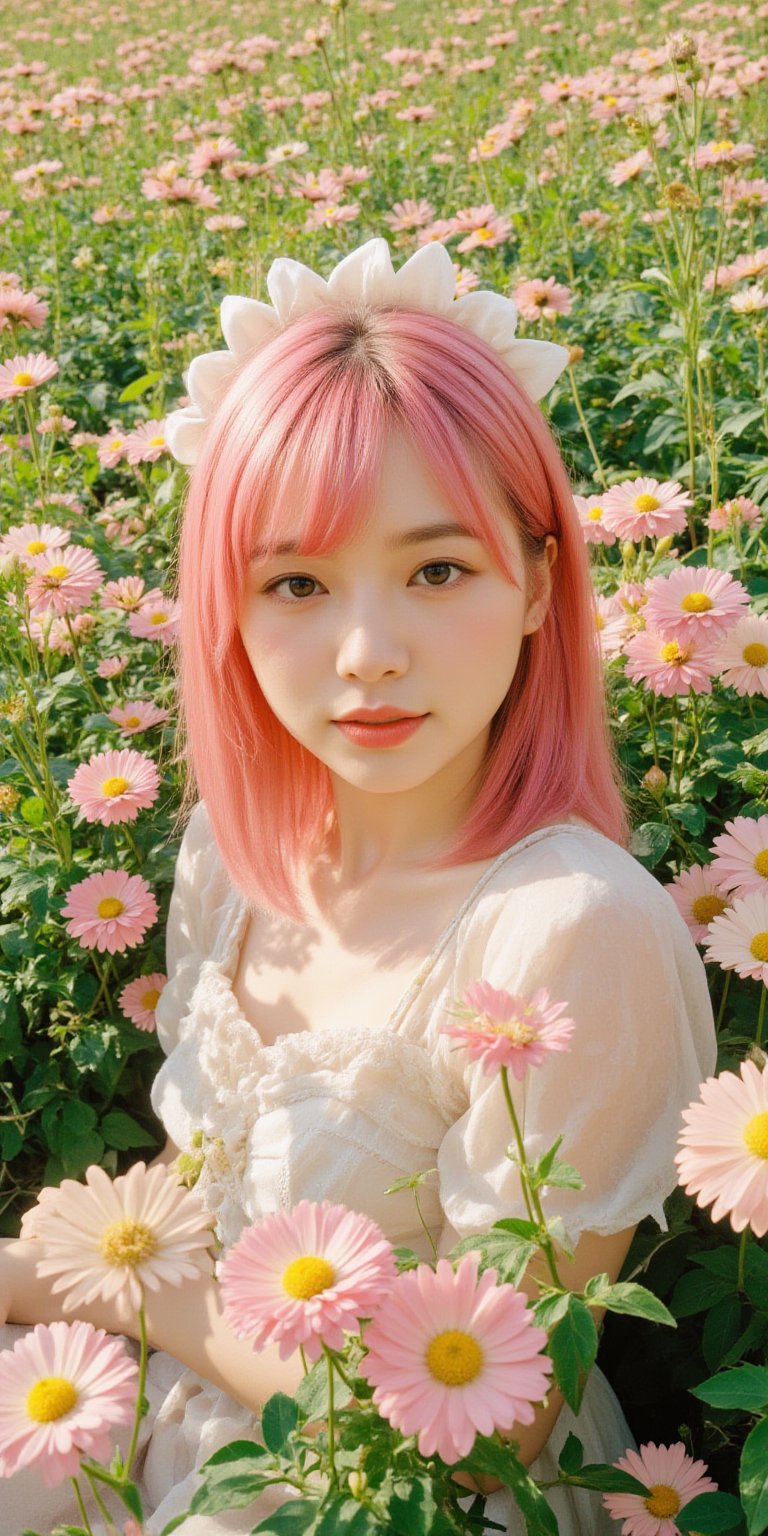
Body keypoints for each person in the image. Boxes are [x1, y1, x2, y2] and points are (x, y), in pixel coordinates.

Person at [0, 239, 717, 1536]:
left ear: (540, 579)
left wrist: (123, 1298)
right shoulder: (238, 848)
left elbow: (489, 1426)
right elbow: (199, 1195)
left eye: (437, 569)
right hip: (165, 1409)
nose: (367, 654)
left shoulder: (571, 931)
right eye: (296, 583)